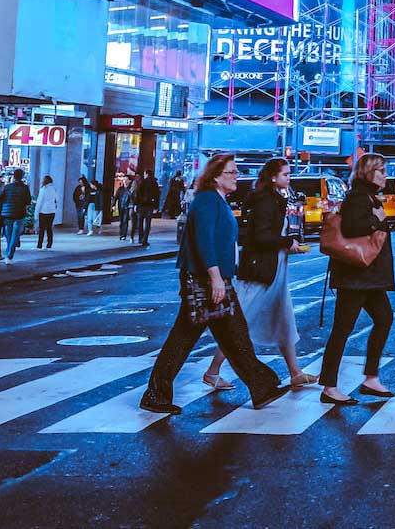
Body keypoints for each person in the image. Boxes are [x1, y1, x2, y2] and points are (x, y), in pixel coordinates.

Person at [138, 154, 285, 415]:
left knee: (233, 335)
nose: (236, 176)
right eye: (232, 172)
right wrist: (216, 277)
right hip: (206, 280)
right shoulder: (207, 200)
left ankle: (261, 386)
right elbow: (204, 240)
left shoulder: (217, 200)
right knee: (193, 337)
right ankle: (156, 393)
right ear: (217, 176)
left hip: (214, 279)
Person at [203, 158, 316, 390]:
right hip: (260, 271)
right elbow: (260, 236)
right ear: (273, 177)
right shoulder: (266, 200)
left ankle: (295, 372)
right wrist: (287, 242)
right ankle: (212, 371)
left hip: (274, 269)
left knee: (284, 320)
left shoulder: (273, 198)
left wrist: (287, 245)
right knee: (239, 323)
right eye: (285, 174)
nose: (289, 178)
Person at [320, 153, 395, 405]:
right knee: (343, 328)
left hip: (367, 276)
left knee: (384, 318)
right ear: (368, 173)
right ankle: (330, 386)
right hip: (355, 276)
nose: (385, 175)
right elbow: (353, 228)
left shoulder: (366, 197)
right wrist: (378, 221)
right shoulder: (357, 197)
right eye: (381, 171)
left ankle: (371, 378)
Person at [0, 170, 33, 262]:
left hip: (7, 213)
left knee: (8, 234)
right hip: (19, 213)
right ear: (22, 177)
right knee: (15, 234)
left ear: (13, 176)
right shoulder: (25, 188)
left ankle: (8, 252)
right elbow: (28, 201)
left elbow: (0, 198)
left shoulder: (7, 187)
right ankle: (9, 255)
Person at [35, 175, 61, 250]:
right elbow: (57, 200)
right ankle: (49, 244)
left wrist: (36, 214)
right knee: (49, 228)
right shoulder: (54, 189)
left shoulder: (43, 189)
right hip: (52, 211)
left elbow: (40, 202)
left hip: (43, 211)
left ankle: (39, 245)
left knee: (42, 229)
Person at [135, 170, 161, 247]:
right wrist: (156, 207)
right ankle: (145, 239)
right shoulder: (155, 183)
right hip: (150, 206)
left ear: (146, 174)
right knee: (147, 223)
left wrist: (136, 204)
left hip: (141, 205)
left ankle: (140, 238)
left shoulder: (142, 182)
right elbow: (157, 196)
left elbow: (138, 193)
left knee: (140, 222)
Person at [116, 175, 135, 241]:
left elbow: (133, 197)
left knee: (125, 221)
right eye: (124, 180)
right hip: (121, 206)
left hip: (127, 207)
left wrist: (128, 189)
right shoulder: (120, 189)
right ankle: (121, 234)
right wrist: (113, 205)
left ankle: (123, 235)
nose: (125, 181)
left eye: (126, 180)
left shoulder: (131, 189)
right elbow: (116, 197)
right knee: (121, 221)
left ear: (130, 181)